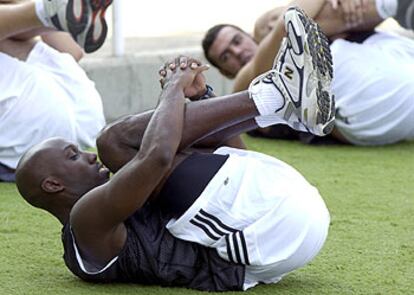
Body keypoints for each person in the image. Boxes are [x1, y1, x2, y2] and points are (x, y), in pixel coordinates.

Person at [16, 8, 334, 291]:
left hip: (278, 225)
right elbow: (156, 157)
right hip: (265, 230)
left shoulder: (129, 205)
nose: (88, 156)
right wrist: (173, 88)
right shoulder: (84, 223)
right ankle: (278, 97)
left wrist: (199, 97)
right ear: (53, 184)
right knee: (113, 141)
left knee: (139, 142)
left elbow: (233, 153)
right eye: (73, 156)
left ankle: (281, 103)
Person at [203, 0, 414, 145]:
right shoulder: (248, 87)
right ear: (225, 72)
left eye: (237, 41)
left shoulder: (327, 38)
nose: (238, 52)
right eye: (226, 56)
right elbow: (287, 26)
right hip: (354, 108)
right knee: (289, 27)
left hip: (392, 61)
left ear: (249, 37)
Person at [0, 0, 113, 181]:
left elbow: (73, 50)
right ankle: (45, 11)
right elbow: (73, 50)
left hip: (40, 130)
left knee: (14, 29)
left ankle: (45, 11)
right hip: (83, 126)